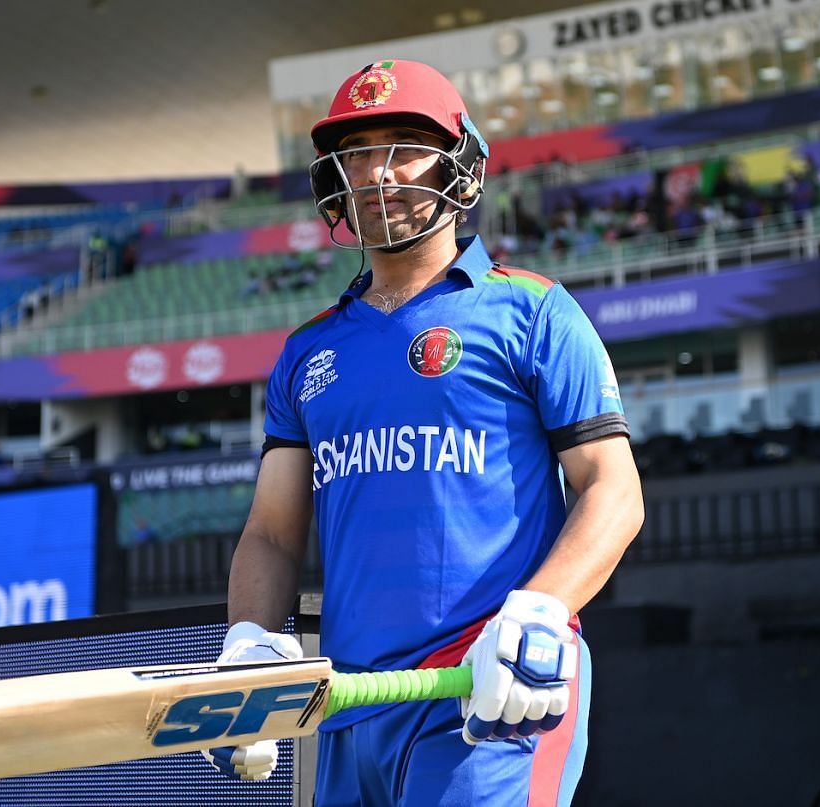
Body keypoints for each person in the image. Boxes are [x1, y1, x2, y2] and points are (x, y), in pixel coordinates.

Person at [205, 60, 643, 806]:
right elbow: (272, 533)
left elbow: (614, 490)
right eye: (358, 151)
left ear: (461, 166)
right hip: (348, 710)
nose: (377, 173)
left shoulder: (534, 311)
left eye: (404, 144)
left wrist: (541, 607)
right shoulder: (307, 351)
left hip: (493, 691)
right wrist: (246, 642)